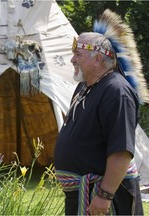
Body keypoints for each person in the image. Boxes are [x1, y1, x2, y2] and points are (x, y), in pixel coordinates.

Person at [54, 32, 144, 215]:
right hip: (84, 193)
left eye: (78, 54)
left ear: (97, 59)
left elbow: (121, 151)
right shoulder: (85, 86)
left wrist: (104, 195)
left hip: (106, 196)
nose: (72, 60)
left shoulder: (117, 92)